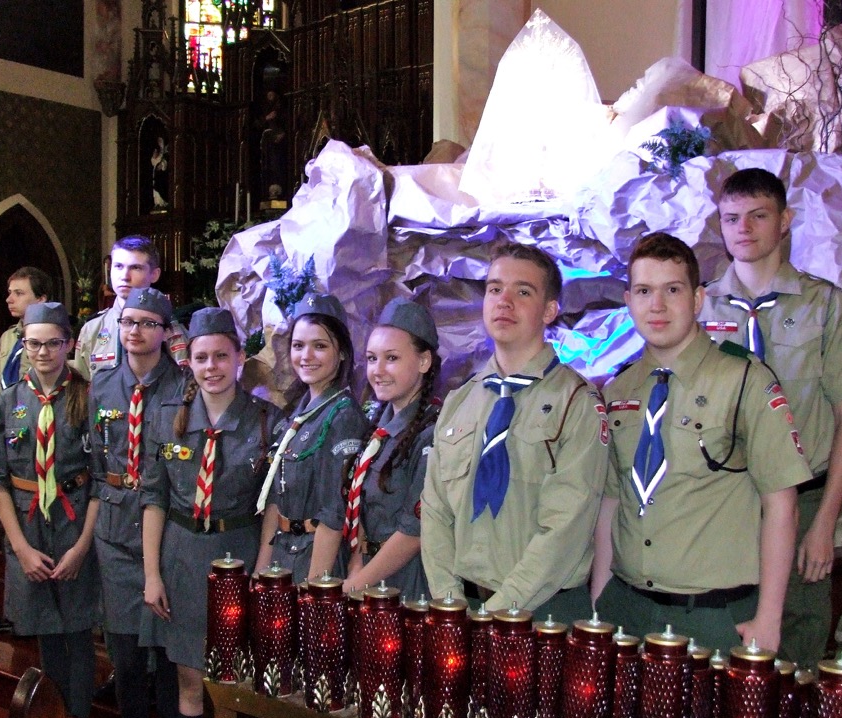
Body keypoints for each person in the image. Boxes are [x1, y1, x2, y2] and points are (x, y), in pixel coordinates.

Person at [698, 168, 842, 666]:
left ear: (785, 221)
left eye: (759, 216)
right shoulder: (699, 308)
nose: (744, 228)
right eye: (732, 218)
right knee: (725, 639)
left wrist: (825, 521)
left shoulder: (825, 306)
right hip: (725, 501)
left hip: (803, 500)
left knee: (795, 645)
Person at [591, 232, 812, 653]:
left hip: (714, 618)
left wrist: (769, 618)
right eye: (644, 291)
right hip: (628, 609)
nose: (657, 305)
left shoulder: (745, 380)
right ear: (629, 301)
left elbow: (781, 505)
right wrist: (603, 600)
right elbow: (612, 502)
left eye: (672, 290)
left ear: (696, 300)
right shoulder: (618, 391)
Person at [421, 243, 609, 623]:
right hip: (463, 608)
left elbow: (564, 529)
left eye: (523, 291)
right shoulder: (461, 401)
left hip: (542, 613)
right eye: (494, 289)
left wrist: (497, 612)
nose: (504, 301)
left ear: (550, 310)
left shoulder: (576, 402)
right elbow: (436, 511)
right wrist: (450, 603)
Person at [141, 307, 279, 718]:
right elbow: (154, 499)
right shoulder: (168, 420)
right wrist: (152, 574)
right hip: (181, 559)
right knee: (189, 678)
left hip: (238, 557)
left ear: (240, 358)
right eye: (201, 358)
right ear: (189, 362)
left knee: (239, 678)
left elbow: (274, 505)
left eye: (221, 356)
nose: (211, 367)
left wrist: (263, 568)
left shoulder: (266, 421)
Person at [0, 302, 101, 718]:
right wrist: (20, 548)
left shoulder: (87, 397)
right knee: (47, 634)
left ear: (69, 343)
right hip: (28, 527)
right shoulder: (10, 400)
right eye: (34, 343)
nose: (44, 352)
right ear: (23, 344)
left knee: (77, 633)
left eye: (54, 342)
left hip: (73, 527)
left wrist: (82, 546)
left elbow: (101, 479)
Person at [88, 287, 184, 718]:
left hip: (166, 536)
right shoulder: (102, 387)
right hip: (115, 531)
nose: (135, 331)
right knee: (124, 656)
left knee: (167, 659)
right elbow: (92, 463)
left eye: (148, 323)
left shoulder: (185, 388)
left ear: (166, 333)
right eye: (129, 322)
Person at [256, 293, 369, 583]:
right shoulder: (298, 411)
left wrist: (314, 590)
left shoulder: (343, 417)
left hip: (316, 563)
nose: (306, 356)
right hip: (283, 555)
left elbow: (333, 513)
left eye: (319, 346)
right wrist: (262, 572)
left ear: (342, 352)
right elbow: (275, 499)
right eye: (298, 346)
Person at [342, 297, 441, 600]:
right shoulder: (378, 429)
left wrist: (353, 587)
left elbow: (414, 534)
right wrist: (357, 567)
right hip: (368, 576)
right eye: (372, 358)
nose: (378, 370)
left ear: (424, 362)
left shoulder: (433, 433)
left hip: (406, 582)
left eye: (392, 358)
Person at [74, 235, 188, 380]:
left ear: (154, 274)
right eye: (118, 266)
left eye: (135, 268)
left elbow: (184, 387)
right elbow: (81, 390)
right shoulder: (93, 329)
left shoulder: (169, 330)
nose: (125, 276)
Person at [0, 267, 53, 473]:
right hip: (4, 423)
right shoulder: (8, 337)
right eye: (10, 292)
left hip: (35, 425)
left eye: (19, 293)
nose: (9, 299)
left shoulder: (51, 339)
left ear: (40, 299)